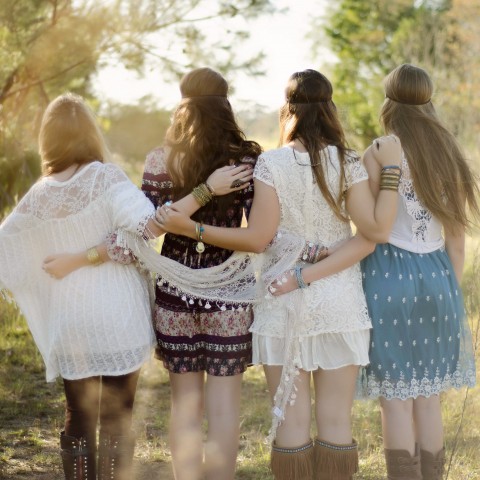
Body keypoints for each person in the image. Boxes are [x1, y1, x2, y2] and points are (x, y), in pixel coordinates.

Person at [156, 69, 403, 480]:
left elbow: (259, 237)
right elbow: (373, 233)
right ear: (330, 110)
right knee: (337, 425)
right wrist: (390, 173)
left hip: (281, 302)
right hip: (339, 305)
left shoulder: (270, 164)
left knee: (290, 428)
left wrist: (194, 229)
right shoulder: (347, 160)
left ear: (286, 110)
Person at [0, 92, 247, 480]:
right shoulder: (106, 177)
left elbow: (5, 250)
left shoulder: (39, 195)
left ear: (48, 140)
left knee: (77, 415)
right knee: (117, 418)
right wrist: (202, 194)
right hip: (118, 319)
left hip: (71, 323)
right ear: (91, 134)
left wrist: (60, 262)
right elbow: (147, 227)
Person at [357, 63, 479, 480]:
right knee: (428, 398)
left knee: (395, 399)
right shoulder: (448, 150)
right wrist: (449, 285)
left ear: (389, 101)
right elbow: (457, 239)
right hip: (437, 274)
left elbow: (371, 228)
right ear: (429, 100)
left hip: (387, 275)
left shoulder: (378, 150)